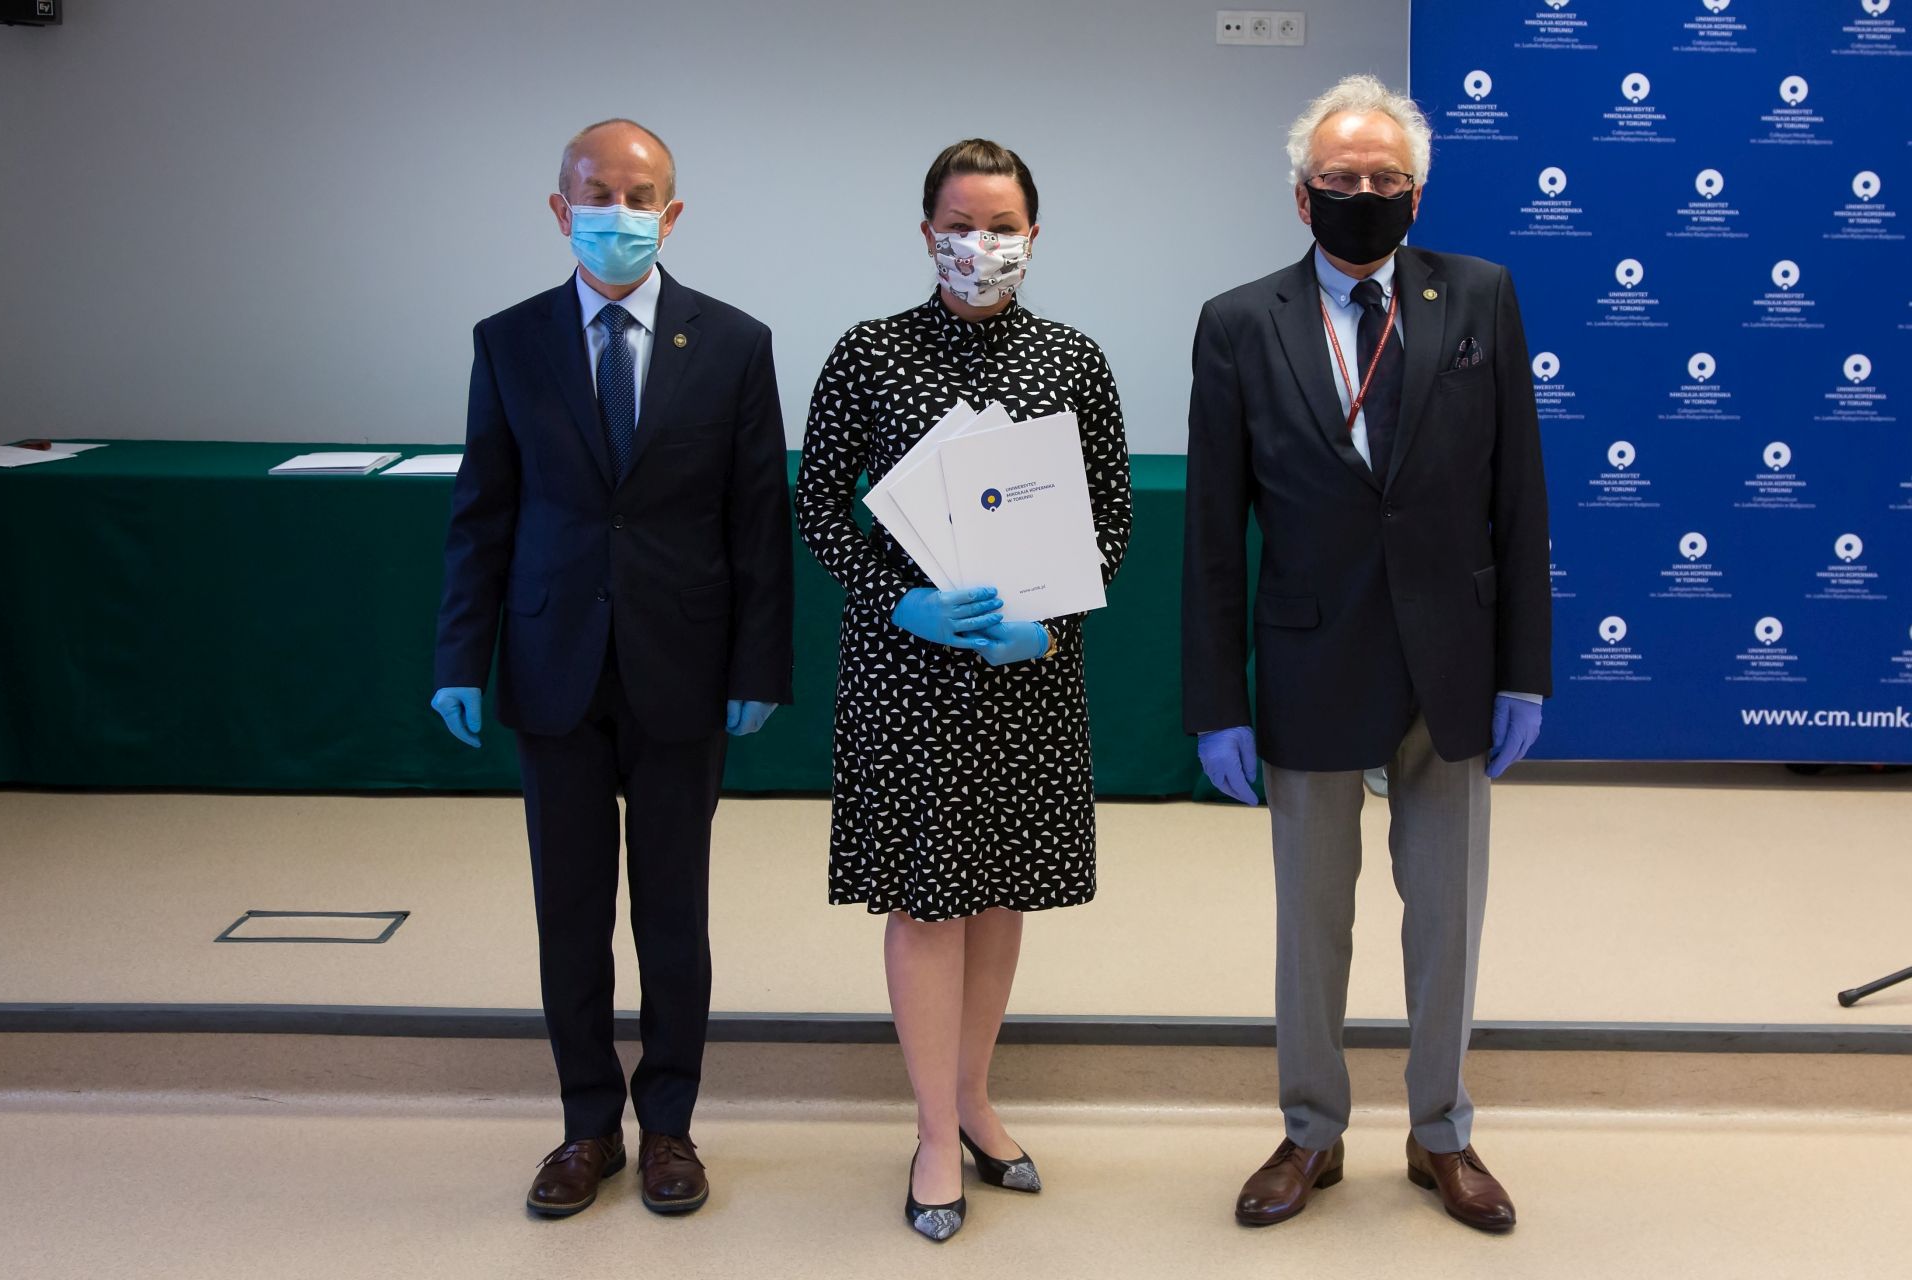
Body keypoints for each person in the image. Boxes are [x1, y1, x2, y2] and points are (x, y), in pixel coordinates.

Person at [1181, 75, 1550, 1234]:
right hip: (1309, 658)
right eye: (1340, 178)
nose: (1364, 192)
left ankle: (1442, 1130)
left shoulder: (1481, 296)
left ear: (1417, 192)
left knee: (1446, 917)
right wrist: (1216, 698)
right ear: (1303, 197)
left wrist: (1525, 668)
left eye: (1385, 177)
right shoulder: (1239, 322)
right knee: (1312, 920)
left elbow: (1519, 496)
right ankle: (1310, 1127)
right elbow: (1212, 530)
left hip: (1453, 661)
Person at [430, 118, 793, 1219]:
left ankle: (670, 1123)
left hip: (684, 665)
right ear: (560, 208)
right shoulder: (509, 340)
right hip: (553, 665)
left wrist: (761, 664)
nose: (618, 214)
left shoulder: (734, 342)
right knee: (571, 910)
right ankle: (587, 1124)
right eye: (597, 193)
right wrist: (460, 654)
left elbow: (758, 521)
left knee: (673, 912)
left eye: (641, 197)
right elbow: (483, 510)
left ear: (672, 214)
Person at [794, 138, 1132, 1242]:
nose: (979, 245)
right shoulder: (870, 353)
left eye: (1001, 227)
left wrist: (1054, 623)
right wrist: (898, 600)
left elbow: (1113, 518)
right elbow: (816, 508)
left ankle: (978, 1095)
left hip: (1026, 675)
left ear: (1035, 236)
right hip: (908, 674)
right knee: (928, 898)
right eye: (958, 225)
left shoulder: (1073, 359)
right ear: (925, 232)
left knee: (1001, 894)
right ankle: (934, 1131)